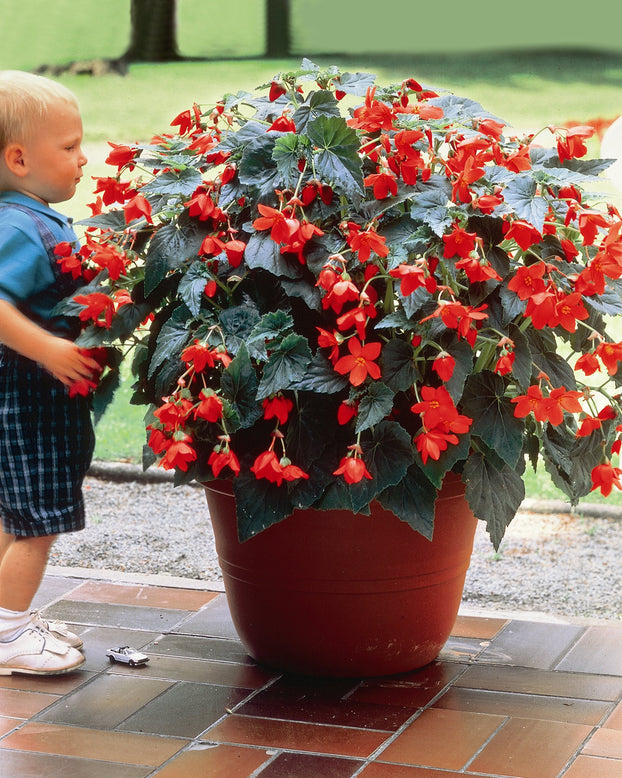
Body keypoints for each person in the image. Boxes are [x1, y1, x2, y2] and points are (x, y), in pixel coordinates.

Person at [0, 70, 101, 674]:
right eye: (68, 148)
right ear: (18, 158)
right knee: (36, 522)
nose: (82, 159)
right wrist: (49, 349)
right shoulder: (18, 226)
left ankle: (3, 617)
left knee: (13, 515)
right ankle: (9, 633)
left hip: (27, 397)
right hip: (29, 399)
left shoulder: (28, 217)